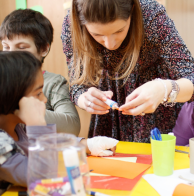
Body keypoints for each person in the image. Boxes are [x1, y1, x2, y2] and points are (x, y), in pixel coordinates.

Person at [62, 0, 194, 142]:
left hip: (158, 111)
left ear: (132, 10)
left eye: (119, 31)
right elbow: (77, 84)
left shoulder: (151, 16)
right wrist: (83, 98)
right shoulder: (72, 26)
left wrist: (163, 89)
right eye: (98, 35)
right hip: (109, 119)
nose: (110, 44)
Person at [0, 52, 117, 193]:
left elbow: (51, 144)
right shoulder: (2, 144)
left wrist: (88, 145)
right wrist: (37, 126)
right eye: (38, 94)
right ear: (10, 97)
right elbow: (44, 177)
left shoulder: (18, 127)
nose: (44, 99)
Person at [0, 9, 80, 135]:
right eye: (6, 47)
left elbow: (72, 126)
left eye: (21, 48)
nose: (11, 54)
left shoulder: (54, 83)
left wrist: (24, 110)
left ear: (43, 49)